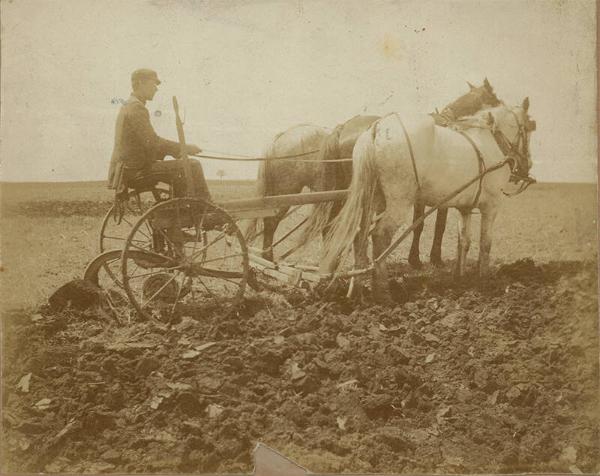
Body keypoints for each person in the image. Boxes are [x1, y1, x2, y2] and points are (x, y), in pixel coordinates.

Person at [107, 68, 210, 199]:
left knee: (181, 166)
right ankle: (208, 210)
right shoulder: (136, 107)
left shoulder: (130, 105)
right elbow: (152, 142)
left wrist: (179, 150)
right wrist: (185, 148)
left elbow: (149, 144)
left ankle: (182, 209)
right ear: (140, 83)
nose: (156, 89)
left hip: (127, 170)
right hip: (134, 171)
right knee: (192, 165)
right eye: (153, 84)